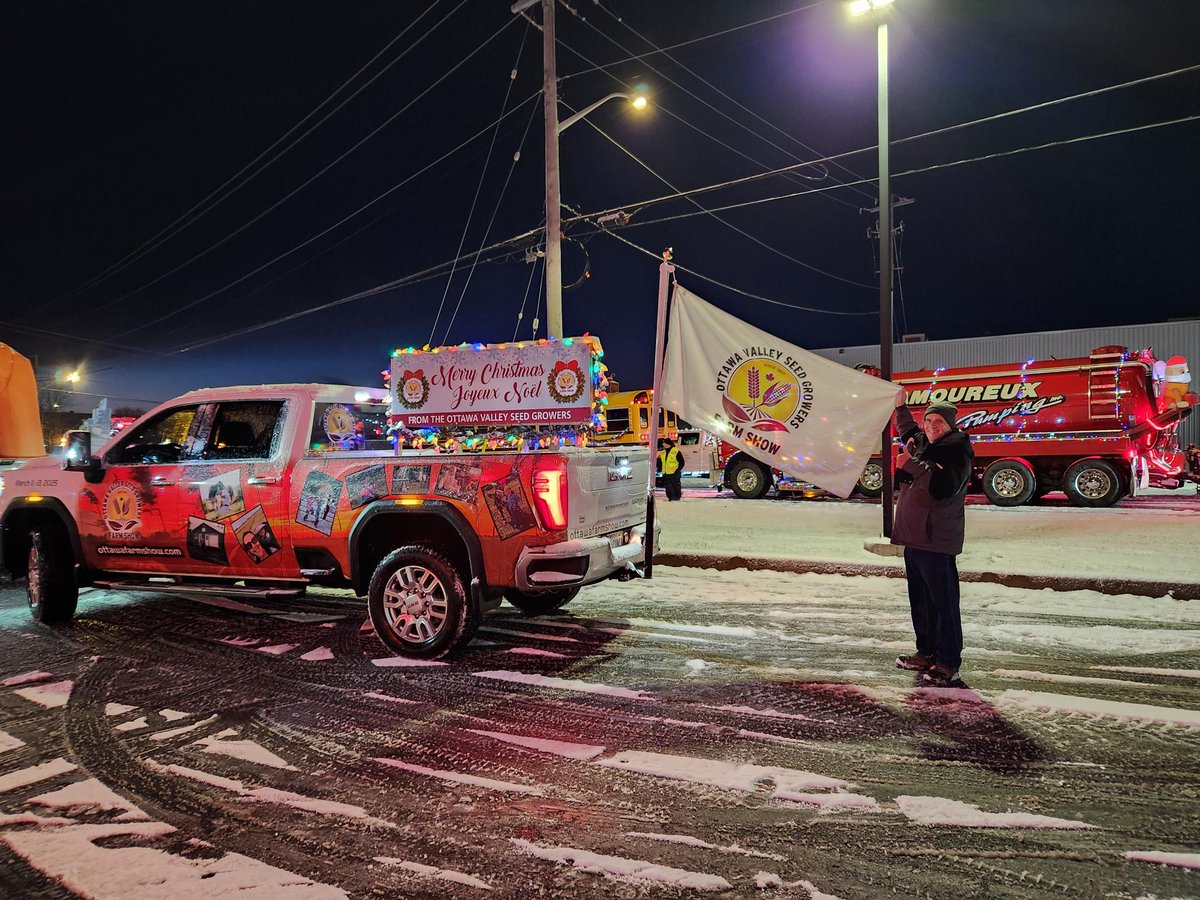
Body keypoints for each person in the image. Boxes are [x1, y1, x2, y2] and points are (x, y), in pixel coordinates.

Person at [890, 398, 975, 687]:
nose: (930, 426)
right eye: (928, 421)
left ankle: (948, 662)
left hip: (936, 540)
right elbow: (908, 432)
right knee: (921, 602)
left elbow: (943, 488)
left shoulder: (956, 450)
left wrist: (910, 465)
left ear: (950, 424)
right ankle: (926, 652)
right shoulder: (926, 444)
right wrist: (900, 408)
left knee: (943, 604)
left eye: (938, 421)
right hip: (915, 539)